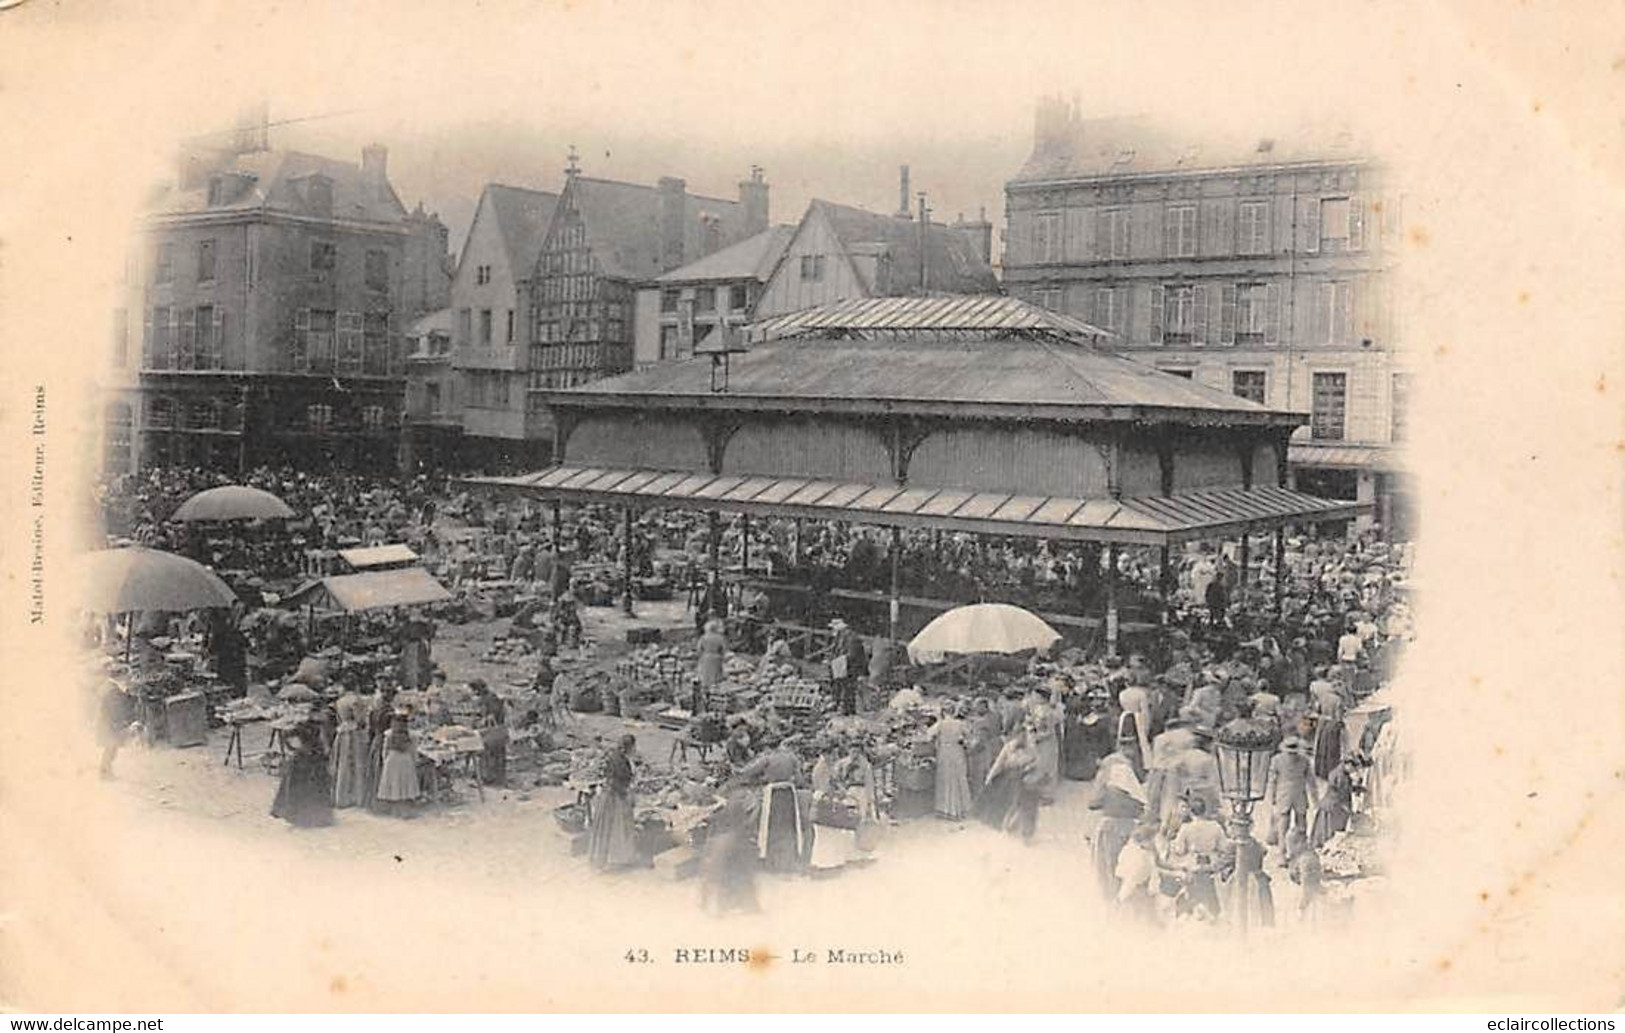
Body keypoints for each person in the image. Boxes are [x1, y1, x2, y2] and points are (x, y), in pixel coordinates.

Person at [735, 735, 810, 873]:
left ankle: (772, 861)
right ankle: (789, 860)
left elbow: (746, 772)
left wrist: (737, 769)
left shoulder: (767, 758)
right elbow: (800, 779)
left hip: (774, 793)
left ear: (769, 746)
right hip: (789, 793)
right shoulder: (791, 757)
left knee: (771, 826)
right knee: (789, 826)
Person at [1088, 745, 1147, 900]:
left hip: (1109, 830)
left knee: (1108, 867)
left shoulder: (1109, 791)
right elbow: (1143, 812)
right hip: (1130, 832)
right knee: (1127, 869)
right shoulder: (1136, 795)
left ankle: (1110, 899)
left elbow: (1092, 804)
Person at [1169, 795, 1227, 920]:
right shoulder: (1215, 826)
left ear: (1191, 811)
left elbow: (1180, 850)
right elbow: (1223, 847)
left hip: (1193, 863)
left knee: (1192, 893)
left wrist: (1173, 845)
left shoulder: (1186, 828)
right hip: (1210, 863)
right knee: (1211, 893)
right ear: (1205, 810)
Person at [980, 726, 1041, 842]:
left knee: (1024, 806)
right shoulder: (1010, 747)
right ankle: (1009, 826)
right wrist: (990, 777)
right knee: (1013, 804)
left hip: (1024, 779)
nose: (1023, 737)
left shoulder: (1030, 747)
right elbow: (999, 763)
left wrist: (1030, 767)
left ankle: (1022, 831)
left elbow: (1037, 761)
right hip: (1012, 779)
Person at [271, 719, 335, 828]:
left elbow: (289, 739)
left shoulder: (310, 727)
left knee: (306, 787)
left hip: (308, 761)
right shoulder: (316, 727)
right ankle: (311, 816)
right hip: (309, 761)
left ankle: (305, 816)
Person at [589, 735, 640, 871]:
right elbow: (617, 781)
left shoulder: (615, 756)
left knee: (606, 829)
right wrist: (627, 794)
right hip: (614, 797)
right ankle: (614, 859)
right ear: (629, 747)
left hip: (608, 794)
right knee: (615, 829)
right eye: (634, 747)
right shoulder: (621, 762)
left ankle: (602, 859)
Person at [1265, 735, 1314, 856]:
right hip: (1289, 795)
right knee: (1285, 825)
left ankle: (1298, 851)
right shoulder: (1278, 760)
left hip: (1292, 794)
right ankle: (1284, 852)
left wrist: (1315, 798)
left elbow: (1311, 781)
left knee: (1299, 825)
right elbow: (1272, 780)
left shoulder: (1303, 760)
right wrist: (1272, 797)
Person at [1310, 753, 1368, 849]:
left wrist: (1358, 788)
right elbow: (1342, 793)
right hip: (1333, 807)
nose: (1354, 771)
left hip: (1333, 806)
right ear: (1348, 764)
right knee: (1329, 834)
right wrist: (1350, 811)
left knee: (1330, 832)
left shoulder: (1341, 772)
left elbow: (1345, 789)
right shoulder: (1340, 775)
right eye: (1353, 768)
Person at [926, 704, 972, 821]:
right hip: (957, 751)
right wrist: (962, 741)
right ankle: (961, 809)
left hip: (944, 752)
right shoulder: (960, 724)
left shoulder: (940, 724)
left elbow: (928, 735)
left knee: (945, 779)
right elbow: (969, 736)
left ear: (943, 712)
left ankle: (945, 809)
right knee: (958, 778)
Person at [374, 714, 421, 817]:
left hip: (392, 758)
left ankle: (394, 809)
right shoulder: (412, 735)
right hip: (405, 759)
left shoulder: (389, 734)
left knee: (394, 782)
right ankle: (404, 809)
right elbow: (413, 750)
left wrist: (385, 759)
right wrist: (415, 761)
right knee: (405, 783)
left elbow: (385, 749)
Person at [329, 694, 369, 808]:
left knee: (342, 764)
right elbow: (360, 719)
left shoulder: (340, 700)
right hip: (353, 732)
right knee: (356, 764)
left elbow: (338, 718)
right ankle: (356, 797)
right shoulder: (356, 700)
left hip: (342, 729)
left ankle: (341, 796)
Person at [96, 681, 133, 780]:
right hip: (109, 725)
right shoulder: (114, 693)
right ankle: (104, 772)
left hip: (108, 724)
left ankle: (106, 771)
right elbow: (116, 710)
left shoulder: (112, 691)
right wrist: (119, 723)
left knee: (111, 749)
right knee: (111, 749)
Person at [966, 697, 1002, 797]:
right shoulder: (996, 716)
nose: (975, 710)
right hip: (996, 747)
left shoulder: (981, 722)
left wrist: (969, 751)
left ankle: (980, 800)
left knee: (979, 777)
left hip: (984, 751)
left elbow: (979, 742)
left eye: (977, 707)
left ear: (983, 706)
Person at [474, 680, 508, 787]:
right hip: (500, 730)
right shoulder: (493, 697)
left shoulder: (486, 700)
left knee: (487, 752)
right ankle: (498, 777)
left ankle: (488, 777)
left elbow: (489, 717)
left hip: (492, 732)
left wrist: (481, 722)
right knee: (498, 755)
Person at [695, 618, 728, 711]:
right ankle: (715, 699)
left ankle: (705, 697)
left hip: (706, 657)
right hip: (716, 658)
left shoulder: (704, 637)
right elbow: (723, 649)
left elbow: (699, 649)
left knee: (705, 677)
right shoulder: (720, 638)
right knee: (715, 678)